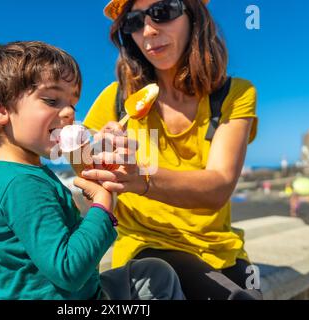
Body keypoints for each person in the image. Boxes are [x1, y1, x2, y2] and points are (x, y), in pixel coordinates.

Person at [0, 41, 184, 300]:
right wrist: (104, 207)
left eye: (73, 104)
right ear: (0, 109)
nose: (69, 112)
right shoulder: (23, 184)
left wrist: (94, 160)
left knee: (155, 272)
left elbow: (59, 237)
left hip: (81, 291)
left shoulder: (12, 172)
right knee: (157, 280)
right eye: (51, 100)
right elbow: (69, 270)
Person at [82, 0, 262, 300]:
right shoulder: (115, 99)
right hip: (148, 249)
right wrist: (96, 149)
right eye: (134, 22)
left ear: (193, 15)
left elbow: (218, 186)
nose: (149, 30)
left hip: (221, 249)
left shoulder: (235, 94)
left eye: (162, 12)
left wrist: (142, 178)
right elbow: (79, 161)